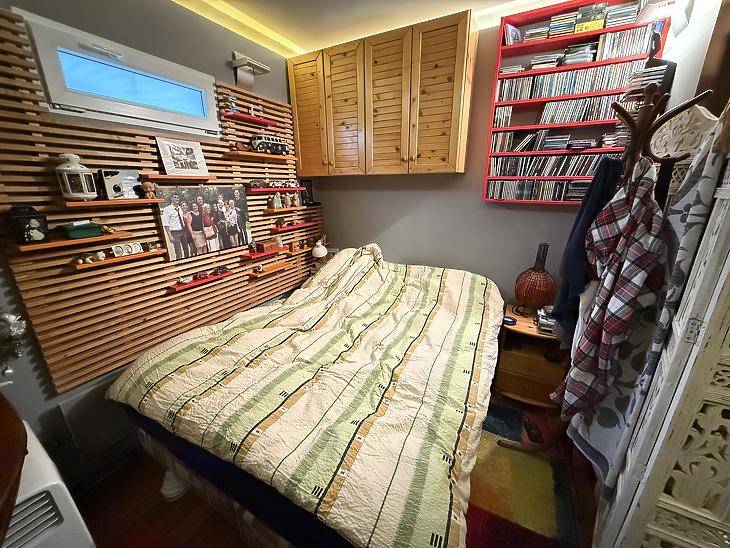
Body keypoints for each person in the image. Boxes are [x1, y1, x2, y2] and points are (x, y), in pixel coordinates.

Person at [161, 192, 188, 259]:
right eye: (175, 197)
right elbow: (166, 224)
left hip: (183, 231)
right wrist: (170, 236)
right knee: (178, 252)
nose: (176, 199)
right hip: (175, 233)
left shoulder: (180, 208)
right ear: (171, 198)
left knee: (186, 250)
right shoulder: (167, 209)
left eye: (177, 197)